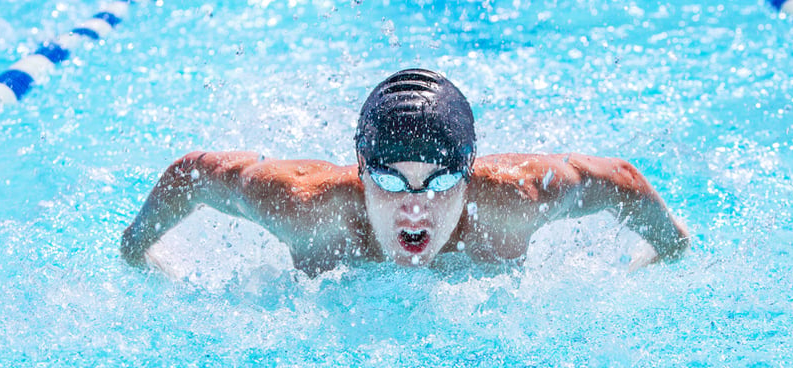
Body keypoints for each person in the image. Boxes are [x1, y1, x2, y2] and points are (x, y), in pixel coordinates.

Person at [121, 68, 690, 277]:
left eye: (439, 182)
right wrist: (136, 250)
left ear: (469, 177)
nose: (415, 208)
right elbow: (191, 173)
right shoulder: (303, 205)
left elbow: (621, 180)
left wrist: (670, 247)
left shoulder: (515, 199)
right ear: (361, 172)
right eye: (392, 181)